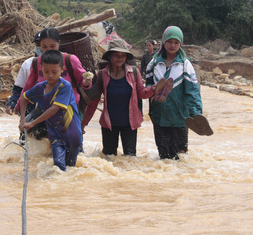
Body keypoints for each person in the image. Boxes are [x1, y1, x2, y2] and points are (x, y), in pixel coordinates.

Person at [85, 39, 155, 156]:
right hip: (109, 123)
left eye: (123, 55)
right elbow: (94, 101)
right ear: (109, 57)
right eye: (116, 55)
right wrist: (83, 124)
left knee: (130, 158)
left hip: (130, 123)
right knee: (109, 157)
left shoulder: (134, 72)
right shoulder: (102, 75)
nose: (120, 58)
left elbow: (142, 93)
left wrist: (153, 88)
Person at [145, 26, 204, 160]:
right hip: (159, 116)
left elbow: (192, 91)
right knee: (164, 157)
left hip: (180, 118)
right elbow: (147, 86)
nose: (172, 45)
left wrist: (196, 112)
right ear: (164, 42)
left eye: (176, 42)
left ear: (180, 44)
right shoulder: (154, 63)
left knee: (181, 157)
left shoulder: (185, 64)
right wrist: (153, 88)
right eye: (169, 42)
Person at [19, 50, 83, 171]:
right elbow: (23, 98)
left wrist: (32, 123)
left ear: (62, 70)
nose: (50, 75)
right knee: (58, 166)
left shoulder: (65, 86)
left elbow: (54, 109)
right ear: (41, 69)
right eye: (46, 72)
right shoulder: (39, 87)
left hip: (72, 134)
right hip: (55, 134)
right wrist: (23, 119)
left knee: (70, 166)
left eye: (54, 72)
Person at [17, 28, 93, 119]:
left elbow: (82, 79)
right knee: (29, 129)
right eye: (44, 46)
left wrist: (86, 82)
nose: (48, 49)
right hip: (45, 107)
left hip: (69, 108)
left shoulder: (70, 60)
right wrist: (18, 105)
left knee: (70, 132)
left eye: (52, 46)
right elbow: (28, 86)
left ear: (59, 43)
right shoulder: (37, 62)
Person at [5, 31, 42, 115]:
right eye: (37, 44)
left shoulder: (58, 63)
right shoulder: (27, 64)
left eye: (42, 44)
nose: (40, 47)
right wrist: (12, 102)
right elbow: (19, 88)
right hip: (30, 107)